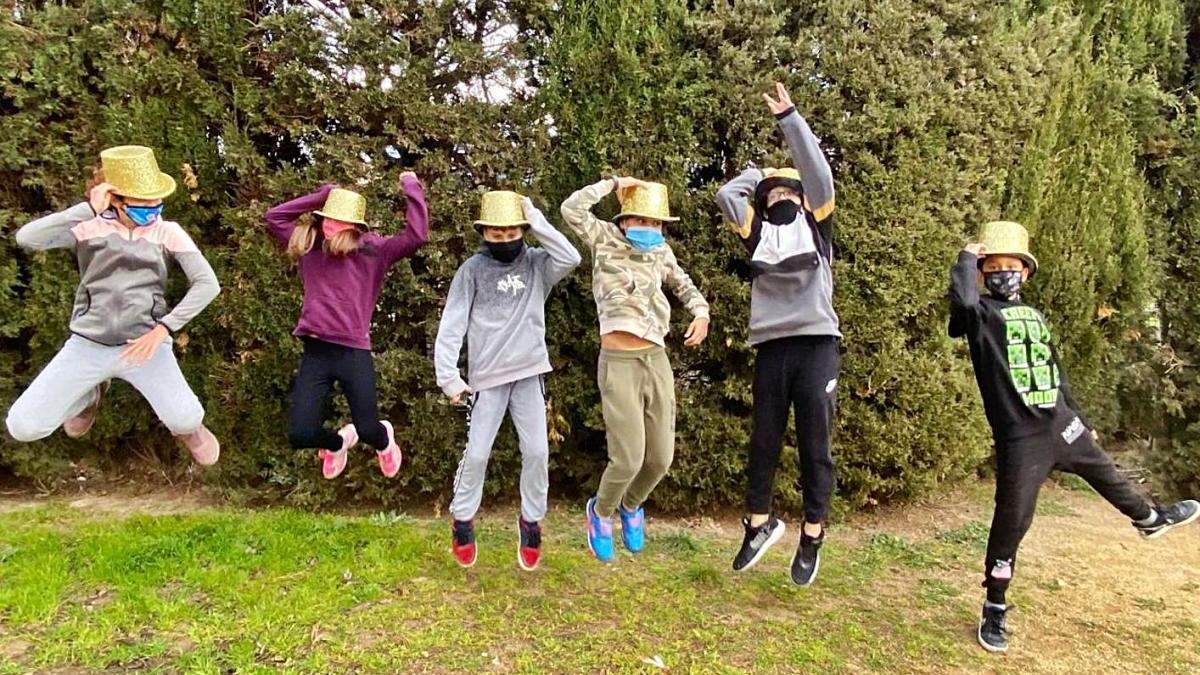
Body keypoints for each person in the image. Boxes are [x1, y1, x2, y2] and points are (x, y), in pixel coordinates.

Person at [949, 220, 1200, 653]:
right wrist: (967, 260)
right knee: (1012, 522)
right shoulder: (980, 316)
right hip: (1021, 438)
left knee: (1108, 473)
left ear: (1025, 274)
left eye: (1012, 266)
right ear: (985, 274)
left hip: (1061, 422)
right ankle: (994, 605)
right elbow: (963, 303)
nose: (1004, 273)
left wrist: (1080, 417)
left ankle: (1150, 519)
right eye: (995, 267)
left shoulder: (1035, 315)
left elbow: (1055, 369)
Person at [7, 145, 221, 464]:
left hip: (145, 347)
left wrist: (163, 330)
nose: (154, 207)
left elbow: (208, 284)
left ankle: (191, 430)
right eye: (143, 201)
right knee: (23, 426)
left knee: (185, 418)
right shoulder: (87, 226)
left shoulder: (168, 231)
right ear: (115, 199)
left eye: (157, 199)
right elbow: (27, 238)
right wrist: (86, 210)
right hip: (87, 345)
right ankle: (88, 397)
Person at [714, 82, 840, 587]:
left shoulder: (818, 225)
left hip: (816, 346)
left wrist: (789, 118)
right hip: (771, 348)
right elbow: (727, 195)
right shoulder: (757, 235)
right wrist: (758, 175)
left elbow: (818, 173)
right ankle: (758, 526)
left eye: (791, 192)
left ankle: (812, 535)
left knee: (815, 445)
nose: (783, 197)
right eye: (775, 196)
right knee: (763, 441)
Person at [561, 176, 710, 562]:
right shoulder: (605, 238)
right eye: (642, 221)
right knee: (627, 458)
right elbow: (570, 209)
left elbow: (684, 285)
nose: (650, 229)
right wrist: (611, 184)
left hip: (655, 359)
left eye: (657, 223)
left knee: (660, 458)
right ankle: (601, 512)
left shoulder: (662, 252)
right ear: (625, 221)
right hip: (618, 362)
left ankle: (631, 507)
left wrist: (701, 312)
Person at [435, 190, 581, 570]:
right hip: (486, 379)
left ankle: (531, 521)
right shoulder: (471, 270)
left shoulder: (537, 264)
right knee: (478, 453)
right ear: (484, 233)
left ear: (522, 230)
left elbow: (571, 256)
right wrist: (448, 377)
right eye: (496, 235)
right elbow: (452, 324)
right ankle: (463, 519)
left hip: (530, 373)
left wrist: (536, 219)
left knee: (537, 452)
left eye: (511, 233)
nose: (504, 240)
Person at [263, 174, 428, 479]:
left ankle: (384, 440)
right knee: (300, 433)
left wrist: (411, 189)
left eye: (338, 222)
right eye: (327, 219)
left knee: (368, 429)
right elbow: (274, 217)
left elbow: (416, 237)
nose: (329, 226)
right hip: (316, 351)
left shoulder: (373, 251)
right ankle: (338, 443)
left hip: (353, 352)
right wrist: (322, 195)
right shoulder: (311, 245)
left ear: (354, 227)